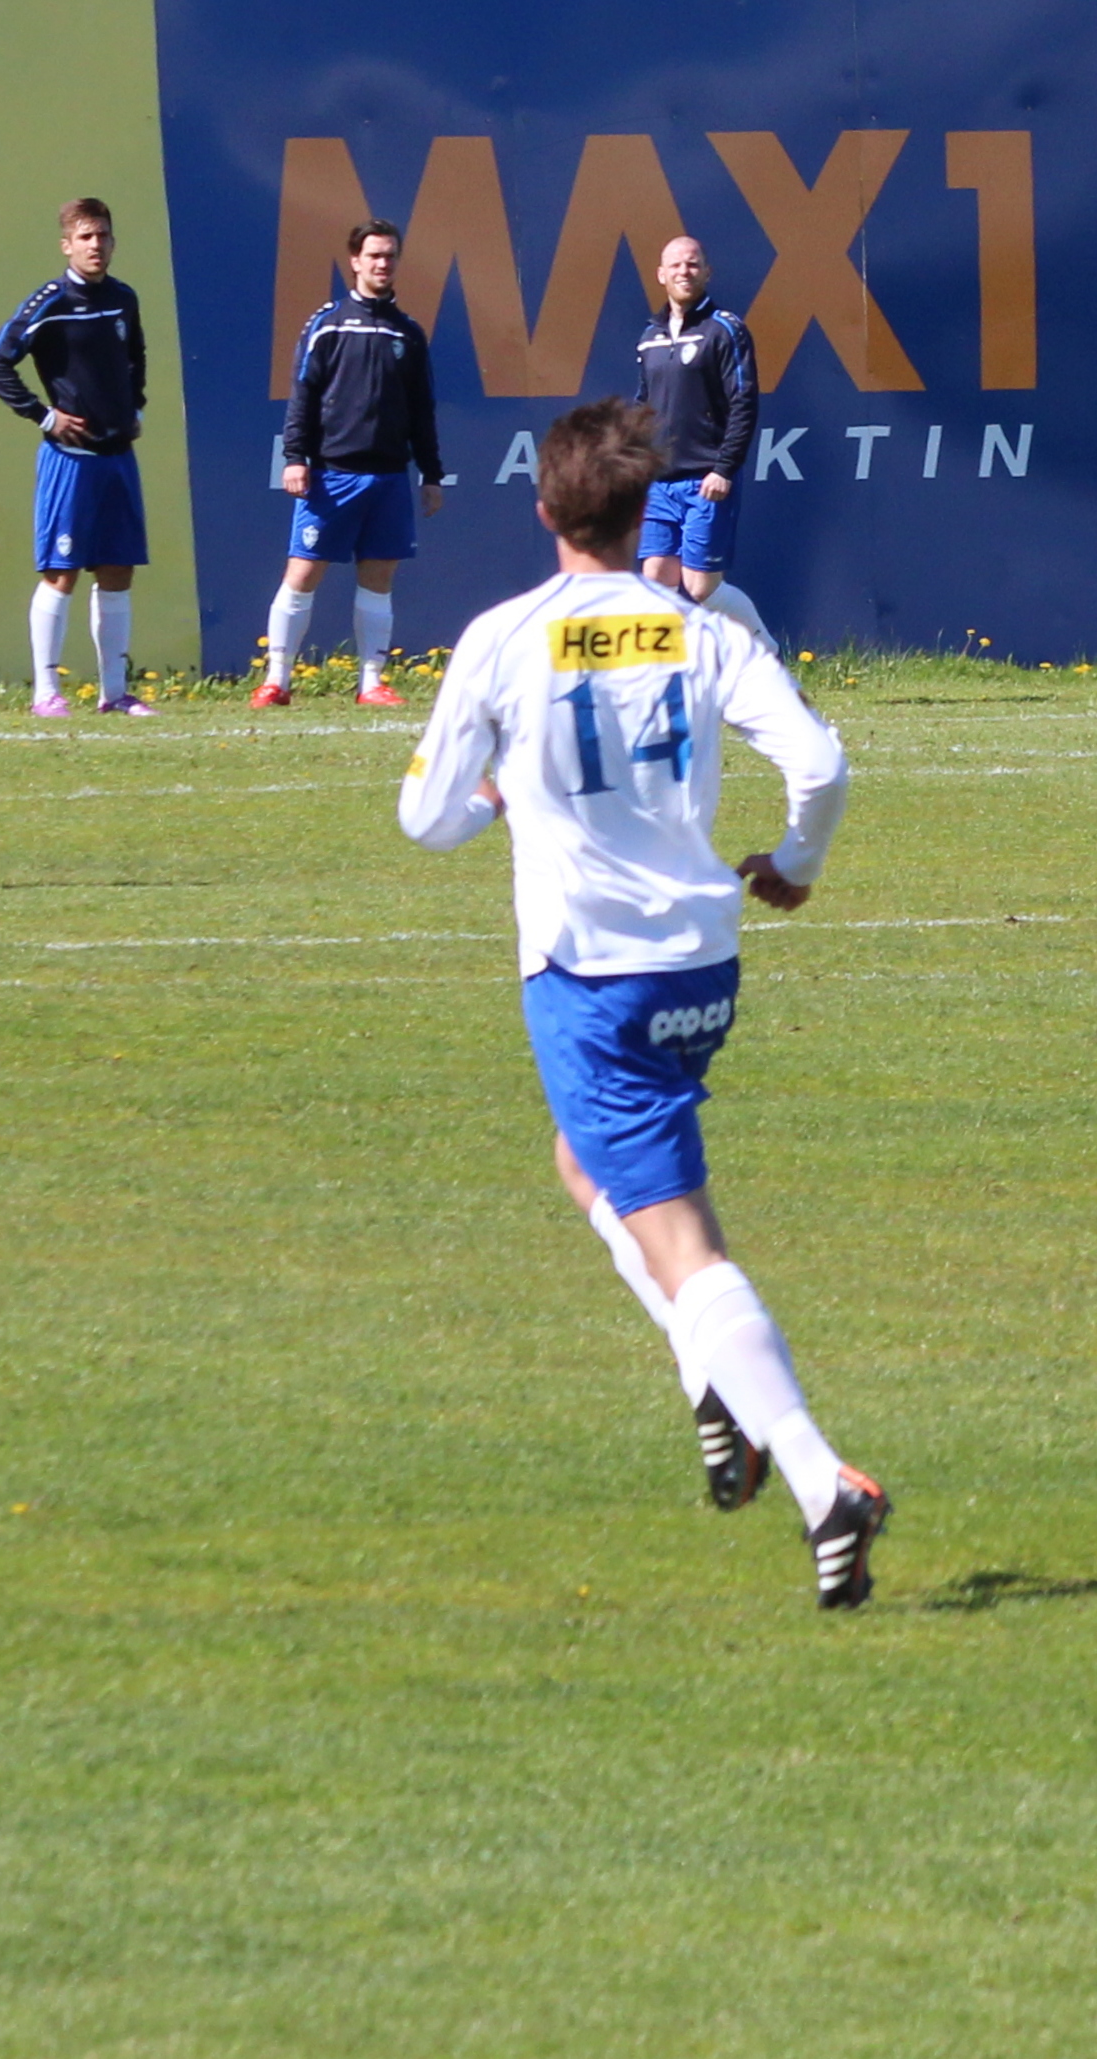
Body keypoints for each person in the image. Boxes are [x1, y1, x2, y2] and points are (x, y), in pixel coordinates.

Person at [396, 396, 884, 1609]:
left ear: (545, 509)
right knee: (586, 1164)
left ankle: (818, 1479)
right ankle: (707, 1373)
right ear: (639, 513)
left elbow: (425, 819)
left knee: (681, 1242)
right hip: (700, 964)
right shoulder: (701, 629)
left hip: (586, 972)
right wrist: (796, 863)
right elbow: (819, 762)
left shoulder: (501, 638)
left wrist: (496, 796)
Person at [259, 219, 448, 708]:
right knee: (302, 574)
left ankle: (371, 683)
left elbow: (422, 410)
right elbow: (303, 395)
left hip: (388, 477)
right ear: (355, 262)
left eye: (390, 255)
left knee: (378, 578)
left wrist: (431, 473)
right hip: (331, 475)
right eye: (374, 255)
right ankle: (276, 680)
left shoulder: (408, 332)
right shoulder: (328, 324)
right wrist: (295, 458)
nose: (383, 263)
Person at [0, 196, 154, 716]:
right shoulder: (50, 302)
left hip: (118, 455)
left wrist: (135, 406)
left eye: (102, 236)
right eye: (85, 237)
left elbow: (135, 356)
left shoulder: (123, 298)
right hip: (70, 459)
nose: (95, 245)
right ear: (67, 246)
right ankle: (46, 692)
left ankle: (114, 693)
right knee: (62, 571)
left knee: (118, 570)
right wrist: (44, 416)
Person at [630, 235, 758, 604]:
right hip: (659, 481)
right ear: (661, 274)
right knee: (656, 578)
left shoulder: (725, 329)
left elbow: (744, 402)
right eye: (676, 265)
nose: (684, 272)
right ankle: (678, 646)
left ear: (707, 272)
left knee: (701, 587)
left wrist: (724, 468)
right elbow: (643, 404)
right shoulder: (649, 337)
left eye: (692, 264)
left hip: (706, 478)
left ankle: (758, 637)